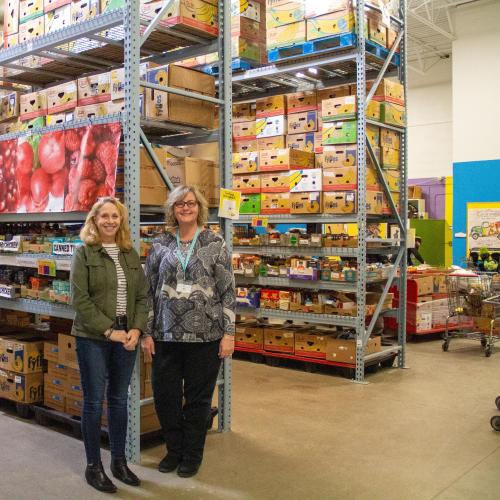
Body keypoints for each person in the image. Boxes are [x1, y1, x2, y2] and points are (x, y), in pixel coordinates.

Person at [142, 185, 235, 478]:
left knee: (198, 400)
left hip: (205, 336)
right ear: (172, 209)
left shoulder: (215, 243)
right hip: (165, 335)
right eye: (180, 203)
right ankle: (174, 449)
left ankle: (192, 455)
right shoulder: (159, 245)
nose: (186, 208)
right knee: (165, 397)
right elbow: (147, 291)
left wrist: (229, 333)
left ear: (199, 208)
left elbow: (228, 291)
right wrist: (146, 332)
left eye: (191, 203)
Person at [71, 197, 148, 493]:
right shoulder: (84, 253)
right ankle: (94, 466)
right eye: (104, 216)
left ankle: (118, 461)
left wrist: (137, 329)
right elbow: (81, 300)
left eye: (115, 216)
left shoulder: (130, 254)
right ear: (94, 220)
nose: (110, 221)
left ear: (121, 221)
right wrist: (108, 330)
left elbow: (142, 296)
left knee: (118, 399)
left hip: (126, 336)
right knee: (93, 401)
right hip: (94, 337)